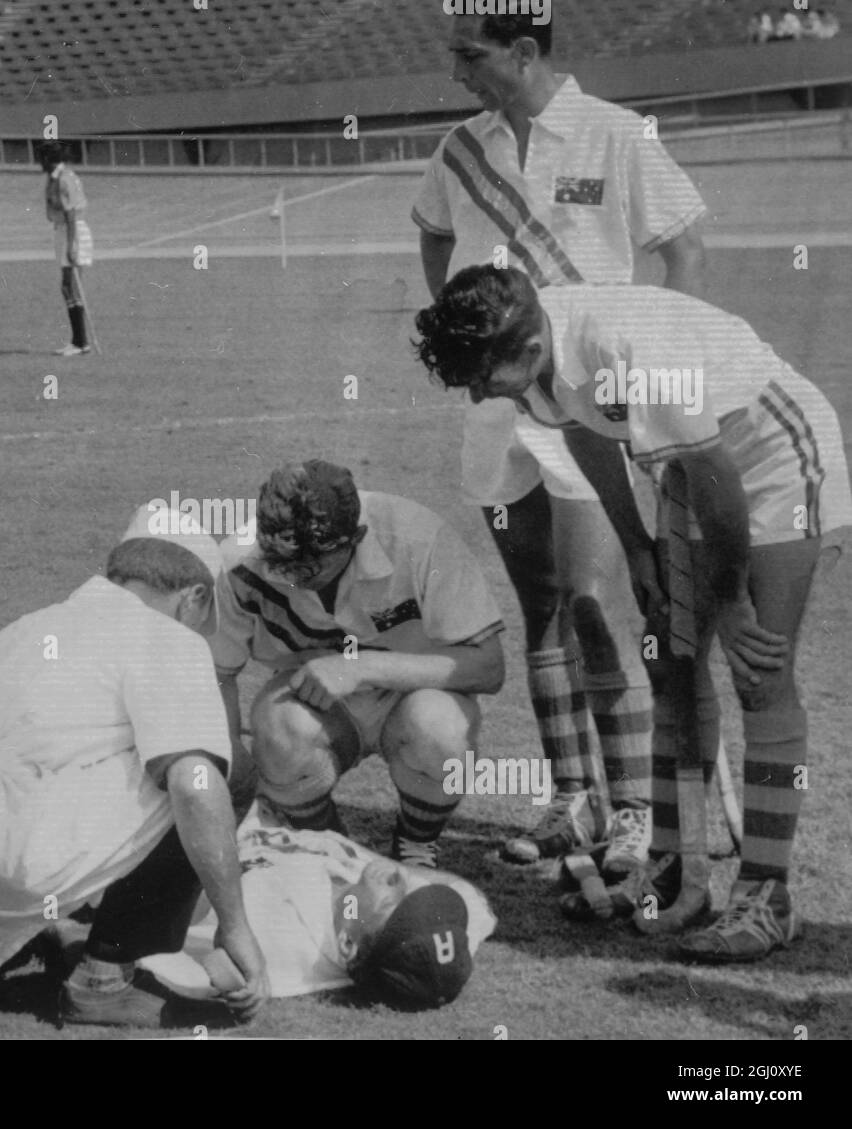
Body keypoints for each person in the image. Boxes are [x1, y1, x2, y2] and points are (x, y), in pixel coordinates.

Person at [415, 264, 852, 961]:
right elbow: (586, 429)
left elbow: (721, 480)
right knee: (672, 661)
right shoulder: (533, 342)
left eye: (480, 377)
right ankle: (678, 873)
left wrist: (733, 601)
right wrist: (637, 544)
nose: (475, 393)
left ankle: (768, 895)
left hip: (770, 458)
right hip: (696, 471)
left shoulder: (630, 353)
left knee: (758, 669)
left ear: (526, 351)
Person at [411, 10, 707, 877]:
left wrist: (654, 361)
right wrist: (467, 334)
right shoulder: (460, 149)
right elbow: (433, 232)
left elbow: (685, 249)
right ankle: (572, 798)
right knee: (540, 604)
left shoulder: (615, 134)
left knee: (592, 602)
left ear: (525, 51)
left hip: (585, 400)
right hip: (501, 406)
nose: (456, 71)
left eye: (471, 56)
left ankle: (633, 812)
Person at [0, 506, 270, 1028]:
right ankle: (105, 979)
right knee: (221, 768)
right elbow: (194, 785)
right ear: (195, 598)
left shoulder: (36, 622)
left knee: (86, 761)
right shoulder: (169, 637)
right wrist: (235, 926)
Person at [210, 461, 506, 871]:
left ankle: (416, 846)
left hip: (415, 693)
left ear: (356, 539)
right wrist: (233, 763)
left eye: (307, 568)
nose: (288, 576)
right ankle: (335, 855)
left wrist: (359, 667)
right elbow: (218, 673)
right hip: (316, 698)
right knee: (279, 731)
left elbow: (489, 667)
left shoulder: (417, 537)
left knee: (441, 731)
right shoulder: (240, 559)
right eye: (278, 562)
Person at [141, 799, 497, 1008]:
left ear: (347, 944)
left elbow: (150, 945)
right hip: (247, 802)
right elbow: (471, 900)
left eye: (396, 900)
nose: (402, 879)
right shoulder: (355, 909)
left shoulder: (281, 937)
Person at [37, 140, 94, 356]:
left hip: (73, 231)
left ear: (49, 160)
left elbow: (70, 215)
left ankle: (81, 343)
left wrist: (71, 246)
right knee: (67, 287)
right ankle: (78, 341)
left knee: (70, 286)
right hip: (65, 230)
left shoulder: (63, 180)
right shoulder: (61, 176)